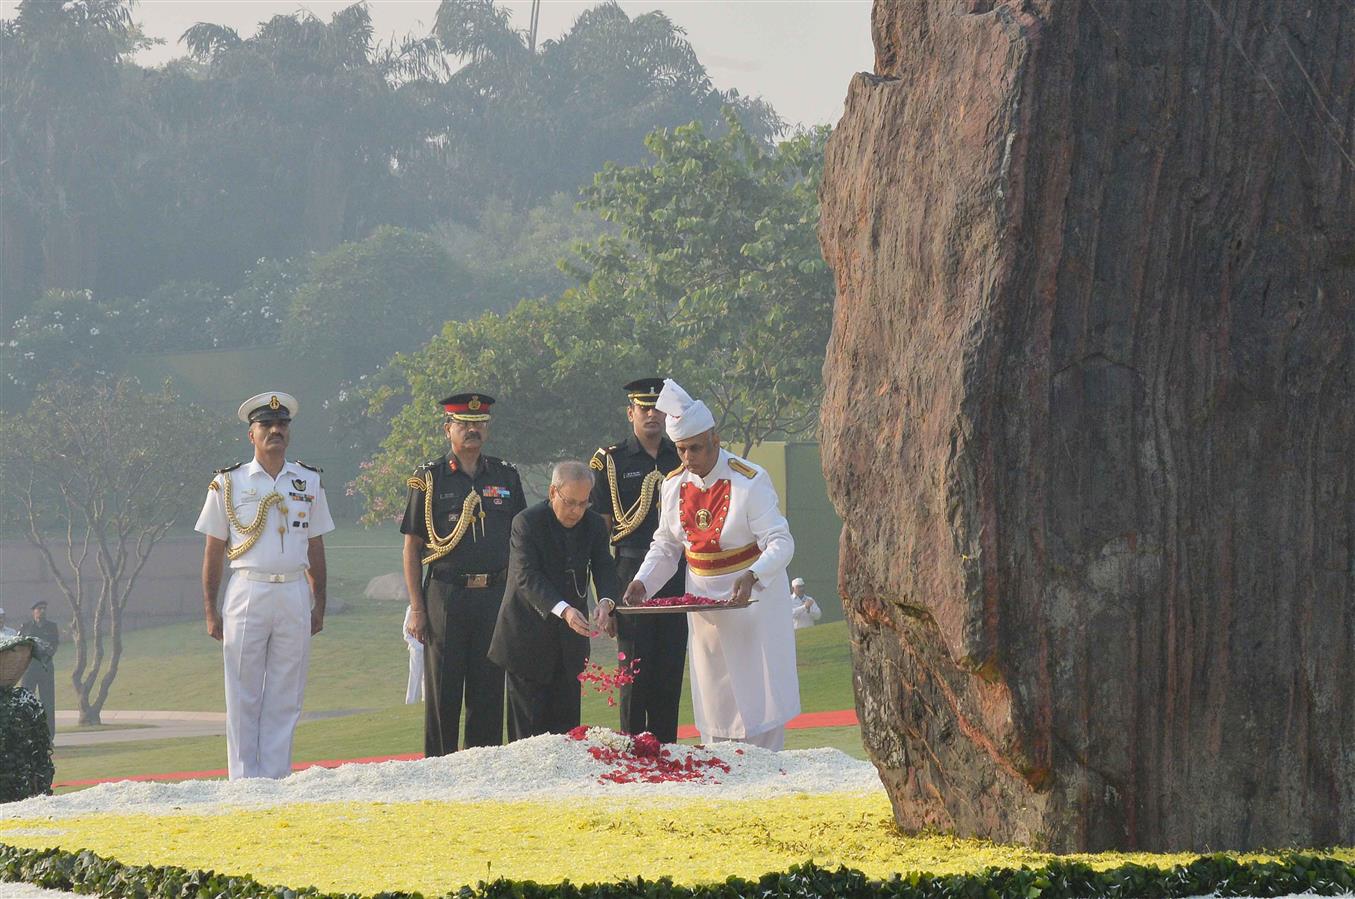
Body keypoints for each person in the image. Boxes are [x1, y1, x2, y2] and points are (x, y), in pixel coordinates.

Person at [609, 379, 800, 751]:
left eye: (695, 448)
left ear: (715, 438)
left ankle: (765, 766)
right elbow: (666, 546)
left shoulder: (750, 480)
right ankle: (719, 763)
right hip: (701, 597)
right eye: (681, 449)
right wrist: (642, 583)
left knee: (757, 692)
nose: (687, 457)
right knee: (714, 692)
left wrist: (754, 574)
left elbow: (781, 541)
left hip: (750, 598)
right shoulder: (673, 484)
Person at [196, 391, 334, 780]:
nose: (276, 430)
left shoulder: (307, 480)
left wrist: (318, 602)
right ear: (251, 435)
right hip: (247, 588)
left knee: (286, 692)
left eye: (282, 425)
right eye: (266, 425)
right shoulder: (228, 482)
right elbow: (213, 548)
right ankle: (243, 779)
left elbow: (316, 543)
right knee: (243, 690)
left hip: (293, 590)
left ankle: (276, 776)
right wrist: (210, 608)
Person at [401, 392, 525, 755]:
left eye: (479, 424)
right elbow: (412, 548)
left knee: (488, 692)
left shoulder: (506, 475)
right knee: (443, 694)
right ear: (448, 430)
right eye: (464, 425)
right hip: (446, 595)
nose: (472, 431)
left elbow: (520, 539)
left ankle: (483, 771)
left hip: (493, 596)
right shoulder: (429, 479)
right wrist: (417, 608)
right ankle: (438, 773)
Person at [489, 461, 620, 740]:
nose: (576, 511)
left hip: (569, 647)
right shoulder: (526, 523)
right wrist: (565, 611)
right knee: (528, 739)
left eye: (583, 503)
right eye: (570, 502)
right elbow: (526, 577)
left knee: (567, 734)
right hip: (527, 641)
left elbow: (604, 566)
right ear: (552, 492)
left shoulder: (594, 524)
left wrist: (606, 602)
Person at [589, 378, 687, 743]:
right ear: (631, 413)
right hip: (629, 570)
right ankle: (633, 751)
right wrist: (607, 597)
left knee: (670, 666)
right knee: (634, 671)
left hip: (676, 573)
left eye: (657, 408)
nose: (651, 415)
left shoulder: (680, 454)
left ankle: (667, 750)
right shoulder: (610, 461)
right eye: (643, 408)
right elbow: (599, 539)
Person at [18, 600, 60, 738]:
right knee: (26, 701)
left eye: (44, 609)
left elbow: (53, 646)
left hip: (45, 668)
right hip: (29, 669)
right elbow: (20, 646)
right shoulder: (26, 627)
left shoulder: (52, 627)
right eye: (39, 609)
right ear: (33, 611)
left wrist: (44, 656)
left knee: (47, 703)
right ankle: (26, 734)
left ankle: (48, 736)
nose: (42, 611)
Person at [402, 604, 424, 704]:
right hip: (417, 649)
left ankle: (426, 700)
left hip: (428, 648)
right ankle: (411, 701)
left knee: (427, 677)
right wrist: (419, 646)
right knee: (415, 675)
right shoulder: (412, 608)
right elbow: (406, 634)